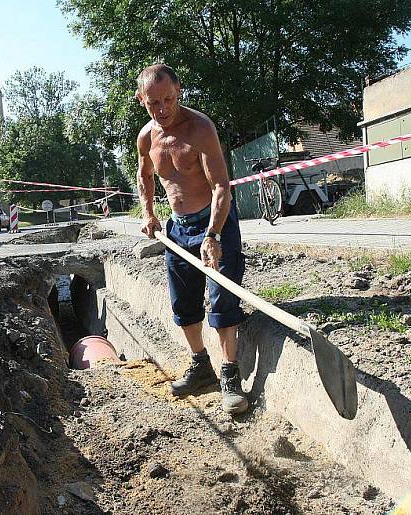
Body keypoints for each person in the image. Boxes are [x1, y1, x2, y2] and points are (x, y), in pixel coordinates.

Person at [135, 64, 247, 414]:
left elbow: (220, 186)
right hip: (178, 228)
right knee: (183, 305)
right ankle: (202, 368)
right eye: (154, 103)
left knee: (222, 298)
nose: (163, 109)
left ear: (179, 91)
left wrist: (213, 234)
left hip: (216, 223)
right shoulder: (145, 138)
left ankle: (230, 376)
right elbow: (144, 176)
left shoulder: (200, 128)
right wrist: (149, 212)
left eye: (168, 99)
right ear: (141, 100)